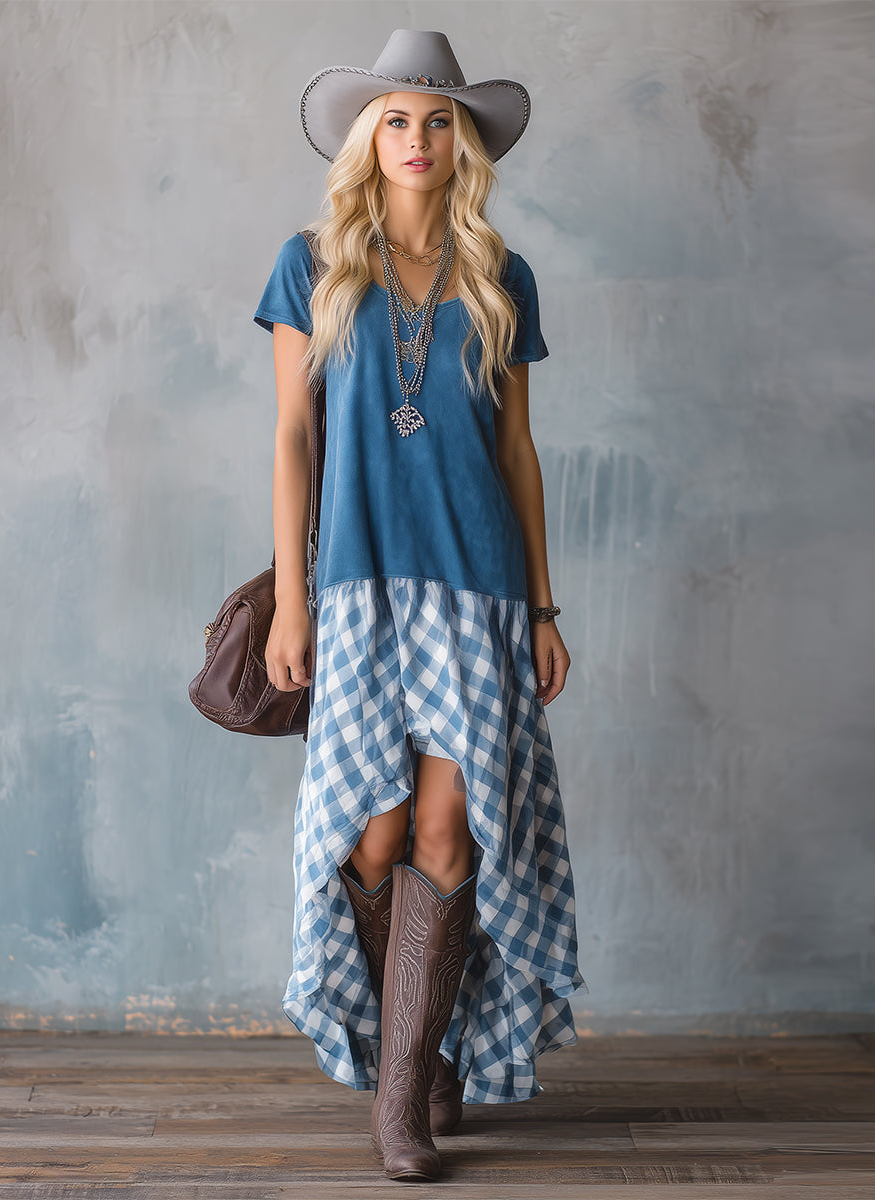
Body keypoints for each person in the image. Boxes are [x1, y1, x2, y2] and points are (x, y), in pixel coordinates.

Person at [253, 29, 588, 1183]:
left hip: (479, 588)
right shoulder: (310, 265)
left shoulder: (502, 276)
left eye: (439, 121)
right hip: (357, 587)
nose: (417, 139)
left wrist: (542, 609)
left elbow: (519, 452)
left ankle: (403, 1100)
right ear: (368, 137)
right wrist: (290, 598)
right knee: (375, 831)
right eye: (396, 119)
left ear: (464, 145)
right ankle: (421, 1037)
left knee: (447, 829)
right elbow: (293, 438)